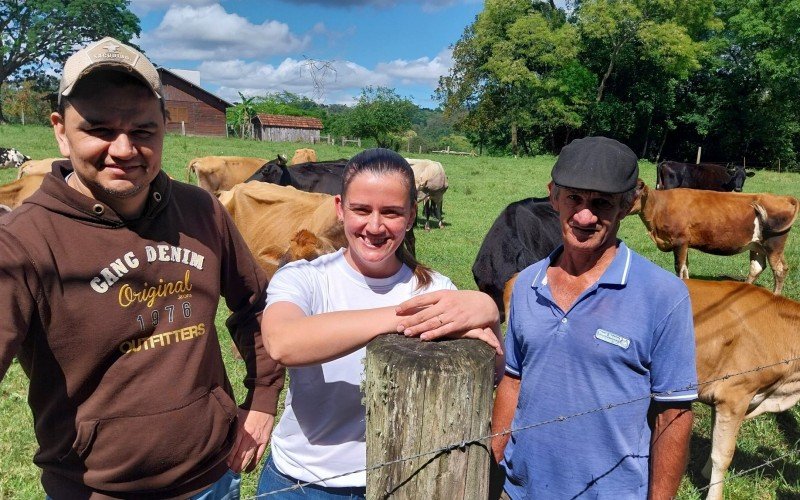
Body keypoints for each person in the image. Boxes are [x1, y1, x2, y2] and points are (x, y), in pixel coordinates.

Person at [0, 37, 284, 498]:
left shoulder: (202, 212)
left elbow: (254, 305)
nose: (124, 148)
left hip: (213, 480)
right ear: (60, 129)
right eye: (99, 129)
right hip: (96, 491)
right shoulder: (25, 242)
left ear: (164, 129)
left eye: (143, 131)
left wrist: (264, 396)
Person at [255, 148, 503, 498]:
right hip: (303, 482)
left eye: (391, 212)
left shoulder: (436, 290)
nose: (374, 226)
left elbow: (492, 370)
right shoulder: (304, 278)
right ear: (340, 209)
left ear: (412, 215)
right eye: (361, 209)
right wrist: (401, 317)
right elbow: (282, 342)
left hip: (402, 478)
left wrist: (487, 309)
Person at [491, 137, 698, 499]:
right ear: (553, 196)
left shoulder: (663, 295)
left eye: (601, 203)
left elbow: (674, 413)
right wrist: (495, 464)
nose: (585, 216)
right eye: (574, 198)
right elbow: (513, 378)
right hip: (520, 491)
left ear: (628, 205)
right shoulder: (526, 284)